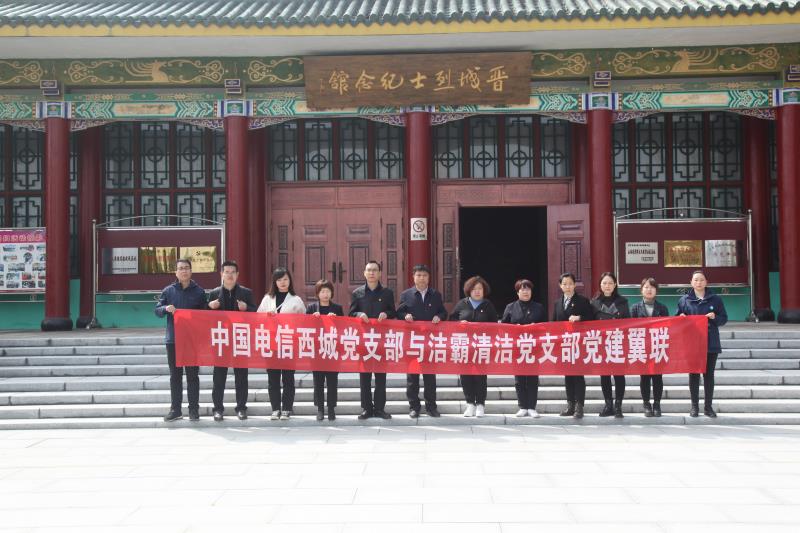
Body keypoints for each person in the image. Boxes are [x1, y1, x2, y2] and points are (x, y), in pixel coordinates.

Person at [154, 258, 207, 422]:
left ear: (191, 271)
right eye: (181, 268)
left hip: (191, 341)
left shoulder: (199, 292)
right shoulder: (168, 291)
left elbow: (205, 315)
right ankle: (175, 410)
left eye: (186, 268)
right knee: (175, 376)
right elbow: (157, 310)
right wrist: (165, 308)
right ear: (176, 272)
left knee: (193, 376)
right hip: (173, 340)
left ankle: (193, 410)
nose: (184, 271)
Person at [207, 260, 256, 422]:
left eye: (232, 272)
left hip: (240, 338)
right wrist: (209, 307)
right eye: (226, 272)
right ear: (221, 274)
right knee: (219, 377)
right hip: (221, 340)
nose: (229, 275)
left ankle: (241, 408)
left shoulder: (246, 293)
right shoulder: (214, 293)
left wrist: (246, 309)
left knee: (241, 376)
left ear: (237, 274)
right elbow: (204, 317)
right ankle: (218, 409)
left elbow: (256, 314)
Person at [397, 264, 448, 419]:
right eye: (418, 275)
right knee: (412, 377)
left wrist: (439, 316)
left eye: (424, 275)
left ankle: (431, 407)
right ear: (413, 277)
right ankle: (414, 407)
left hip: (430, 341)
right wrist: (405, 316)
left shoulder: (435, 295)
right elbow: (398, 313)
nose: (421, 278)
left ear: (429, 278)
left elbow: (443, 312)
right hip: (413, 341)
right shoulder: (406, 295)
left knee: (430, 376)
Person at [677, 270, 728, 418]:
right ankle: (694, 407)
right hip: (692, 343)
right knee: (693, 375)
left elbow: (724, 319)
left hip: (710, 342)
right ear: (691, 282)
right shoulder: (684, 300)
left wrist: (714, 317)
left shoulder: (715, 299)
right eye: (696, 280)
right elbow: (677, 319)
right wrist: (680, 317)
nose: (698, 282)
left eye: (701, 280)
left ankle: (708, 407)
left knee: (708, 375)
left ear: (706, 282)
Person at [257, 267, 306, 420]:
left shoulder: (296, 300)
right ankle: (275, 408)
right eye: (279, 280)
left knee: (288, 377)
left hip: (288, 343)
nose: (283, 282)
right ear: (274, 282)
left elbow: (304, 321)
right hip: (271, 344)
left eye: (285, 279)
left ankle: (287, 408)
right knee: (273, 378)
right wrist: (266, 316)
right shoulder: (267, 299)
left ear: (290, 280)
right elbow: (257, 319)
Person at [349, 260, 396, 420]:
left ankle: (380, 409)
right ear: (364, 273)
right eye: (369, 270)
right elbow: (351, 313)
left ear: (380, 273)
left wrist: (386, 314)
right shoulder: (357, 293)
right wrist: (359, 314)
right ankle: (367, 409)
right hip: (364, 340)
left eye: (375, 270)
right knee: (365, 376)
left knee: (381, 376)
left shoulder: (387, 293)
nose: (371, 273)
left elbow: (393, 312)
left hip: (381, 339)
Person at [449, 275, 498, 418]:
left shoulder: (488, 305)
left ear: (484, 291)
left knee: (480, 375)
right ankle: (470, 403)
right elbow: (451, 321)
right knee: (465, 375)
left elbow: (495, 325)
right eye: (474, 289)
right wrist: (459, 324)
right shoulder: (462, 304)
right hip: (464, 345)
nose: (477, 291)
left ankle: (480, 404)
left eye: (480, 289)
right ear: (469, 290)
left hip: (482, 345)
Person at [552, 272, 594, 419]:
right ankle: (570, 405)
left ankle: (579, 406)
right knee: (568, 375)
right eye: (564, 284)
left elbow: (591, 318)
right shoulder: (557, 303)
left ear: (574, 285)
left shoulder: (582, 301)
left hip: (578, 344)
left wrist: (579, 318)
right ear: (560, 286)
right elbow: (554, 323)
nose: (567, 286)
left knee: (578, 375)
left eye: (570, 283)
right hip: (564, 344)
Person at [502, 279, 546, 418]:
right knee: (519, 378)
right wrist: (515, 329)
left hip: (534, 347)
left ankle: (532, 407)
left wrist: (536, 327)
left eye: (528, 289)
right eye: (522, 289)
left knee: (532, 377)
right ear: (517, 292)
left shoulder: (539, 307)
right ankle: (522, 406)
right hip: (517, 348)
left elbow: (546, 327)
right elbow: (503, 327)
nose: (526, 292)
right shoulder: (510, 307)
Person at [591, 272, 630, 418]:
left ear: (615, 285)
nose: (607, 286)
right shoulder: (594, 302)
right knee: (605, 375)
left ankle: (618, 406)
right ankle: (608, 405)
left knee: (619, 375)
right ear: (600, 285)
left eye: (610, 283)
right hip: (602, 344)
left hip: (618, 342)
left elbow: (628, 322)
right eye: (604, 283)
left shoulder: (623, 302)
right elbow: (589, 324)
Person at [630, 277, 670, 417]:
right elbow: (631, 328)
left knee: (658, 376)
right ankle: (646, 404)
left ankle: (657, 404)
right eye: (646, 287)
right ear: (641, 290)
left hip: (658, 346)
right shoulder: (635, 308)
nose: (649, 290)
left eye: (652, 287)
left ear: (656, 290)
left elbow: (667, 328)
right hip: (642, 346)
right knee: (645, 377)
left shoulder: (662, 308)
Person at [306, 279, 344, 421]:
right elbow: (304, 326)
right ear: (317, 293)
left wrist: (336, 320)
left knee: (332, 381)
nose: (325, 294)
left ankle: (331, 408)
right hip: (317, 350)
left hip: (332, 350)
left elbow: (344, 328)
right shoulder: (311, 308)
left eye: (328, 291)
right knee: (318, 381)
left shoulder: (337, 308)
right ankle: (320, 409)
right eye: (322, 291)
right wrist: (312, 319)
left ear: (331, 293)